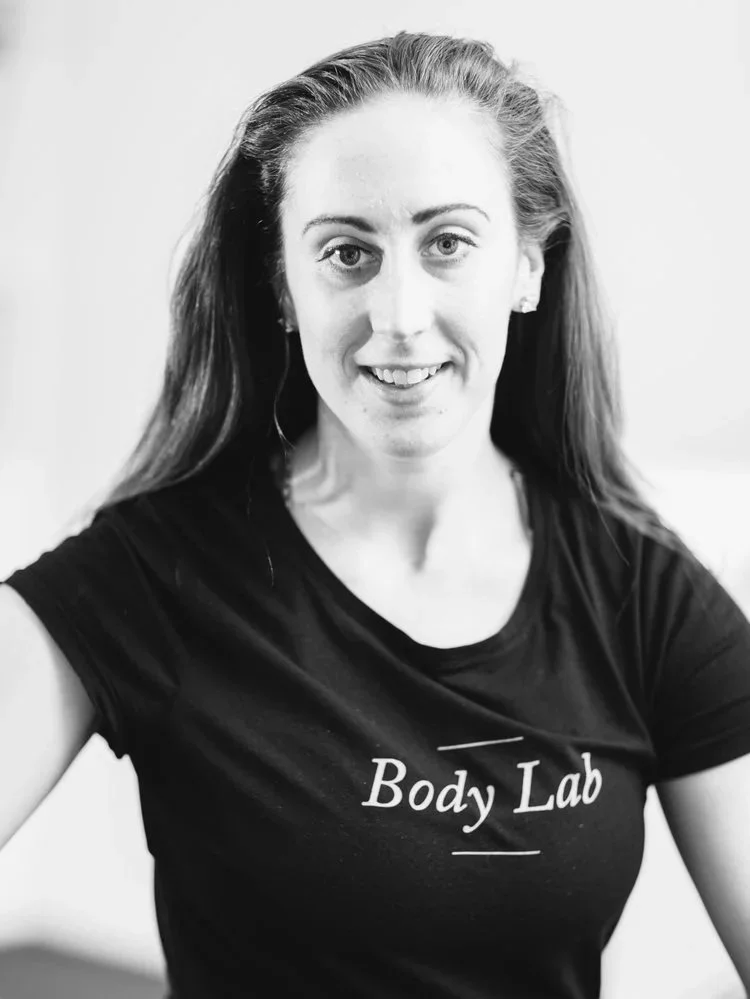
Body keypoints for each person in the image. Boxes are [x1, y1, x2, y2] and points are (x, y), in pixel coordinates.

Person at [1, 29, 748, 999]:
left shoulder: (642, 598)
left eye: (447, 244)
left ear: (527, 265)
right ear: (282, 284)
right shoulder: (159, 576)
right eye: (348, 253)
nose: (399, 314)